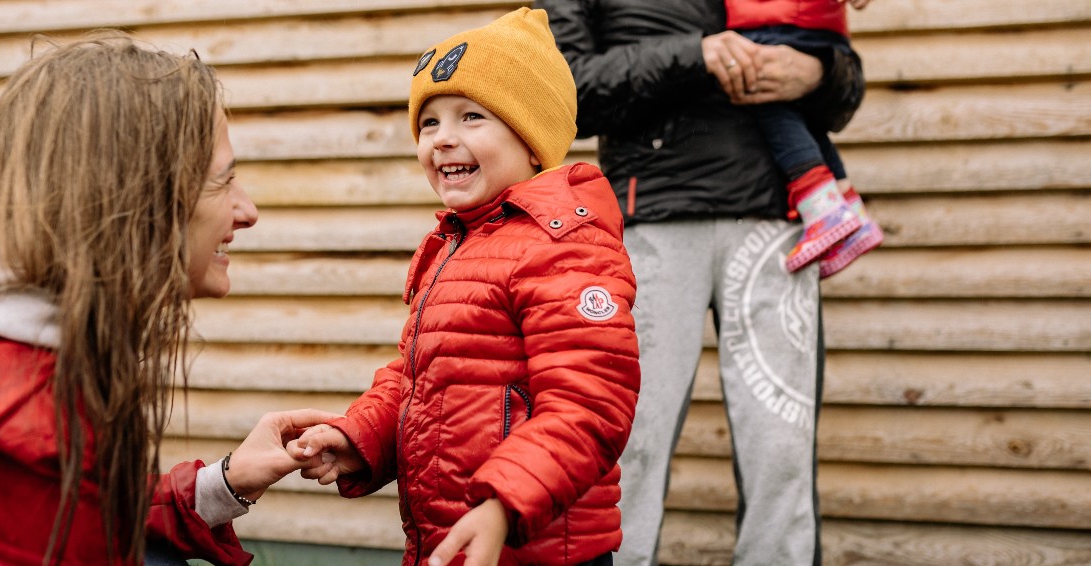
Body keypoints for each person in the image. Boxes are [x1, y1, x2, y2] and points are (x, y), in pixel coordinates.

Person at [0, 33, 337, 565]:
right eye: (222, 181)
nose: (247, 211)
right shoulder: (23, 440)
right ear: (135, 200)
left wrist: (222, 484)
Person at [290, 8, 641, 566]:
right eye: (429, 123)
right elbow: (419, 382)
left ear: (532, 140)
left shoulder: (564, 246)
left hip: (536, 544)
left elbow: (590, 403)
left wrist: (503, 503)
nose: (442, 140)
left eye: (472, 117)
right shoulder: (459, 243)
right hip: (449, 535)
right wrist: (359, 438)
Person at [534, 0, 868, 564]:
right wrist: (695, 54)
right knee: (628, 439)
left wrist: (819, 72)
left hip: (773, 222)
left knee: (780, 447)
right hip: (650, 226)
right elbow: (563, 92)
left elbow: (844, 83)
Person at [727, 0, 884, 276]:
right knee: (802, 119)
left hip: (782, 22)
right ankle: (848, 207)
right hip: (807, 24)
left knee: (763, 92)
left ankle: (823, 211)